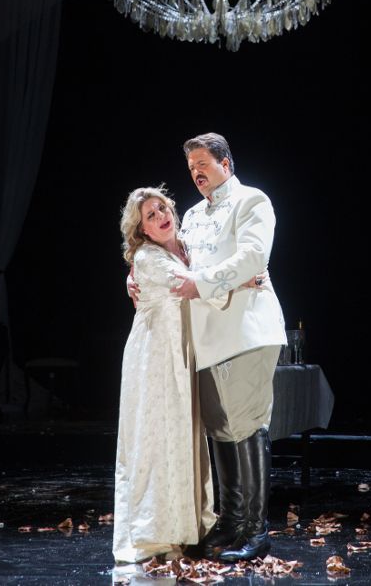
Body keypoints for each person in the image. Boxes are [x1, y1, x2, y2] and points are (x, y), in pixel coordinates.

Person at [163, 132, 287, 562]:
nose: (196, 172)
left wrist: (203, 280)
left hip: (246, 331)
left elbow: (254, 258)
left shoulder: (252, 201)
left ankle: (256, 530)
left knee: (246, 426)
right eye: (191, 167)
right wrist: (138, 273)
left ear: (226, 164)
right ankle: (230, 524)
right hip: (207, 337)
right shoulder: (193, 215)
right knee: (220, 428)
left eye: (203, 163)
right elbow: (176, 260)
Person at [112, 185, 216, 564]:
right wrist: (244, 279)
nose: (159, 218)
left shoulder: (186, 244)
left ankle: (188, 523)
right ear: (143, 232)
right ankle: (154, 528)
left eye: (160, 208)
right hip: (154, 356)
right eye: (150, 218)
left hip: (182, 352)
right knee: (157, 437)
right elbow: (192, 285)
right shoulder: (149, 257)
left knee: (183, 433)